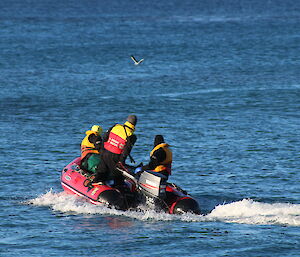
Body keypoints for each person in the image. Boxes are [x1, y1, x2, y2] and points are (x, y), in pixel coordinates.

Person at [93, 115, 137, 185]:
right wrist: (121, 161)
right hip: (115, 156)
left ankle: (95, 183)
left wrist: (102, 149)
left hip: (105, 152)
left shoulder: (116, 126)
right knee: (118, 177)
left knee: (101, 171)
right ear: (135, 124)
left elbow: (105, 137)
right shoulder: (131, 135)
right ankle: (119, 191)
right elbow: (126, 151)